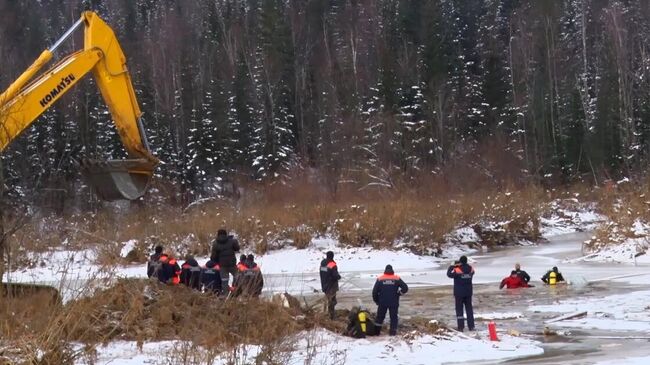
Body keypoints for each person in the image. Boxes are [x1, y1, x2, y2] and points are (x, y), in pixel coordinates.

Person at [372, 265, 408, 336]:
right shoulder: (396, 278)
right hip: (394, 302)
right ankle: (392, 333)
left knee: (380, 317)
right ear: (392, 270)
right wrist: (399, 293)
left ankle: (376, 332)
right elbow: (405, 288)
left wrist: (376, 301)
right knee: (393, 317)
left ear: (385, 270)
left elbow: (374, 292)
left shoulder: (380, 279)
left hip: (382, 302)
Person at [447, 255, 475, 331]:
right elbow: (471, 272)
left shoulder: (457, 270)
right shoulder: (471, 269)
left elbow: (449, 274)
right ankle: (471, 326)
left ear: (460, 262)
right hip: (468, 292)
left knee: (459, 310)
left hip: (459, 293)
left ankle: (461, 327)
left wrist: (452, 266)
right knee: (469, 309)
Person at [210, 229, 241, 294]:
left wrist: (217, 262)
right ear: (226, 234)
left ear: (218, 234)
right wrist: (234, 241)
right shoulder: (231, 241)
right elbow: (237, 248)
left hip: (223, 266)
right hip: (232, 264)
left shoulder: (215, 243)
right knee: (237, 277)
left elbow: (213, 257)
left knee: (224, 282)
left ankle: (225, 296)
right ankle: (236, 291)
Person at [319, 251, 341, 319]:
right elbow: (334, 275)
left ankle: (328, 314)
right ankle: (331, 316)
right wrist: (338, 276)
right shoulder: (332, 264)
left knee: (328, 300)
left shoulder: (322, 264)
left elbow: (324, 273)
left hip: (324, 285)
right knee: (332, 301)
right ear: (332, 256)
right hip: (331, 286)